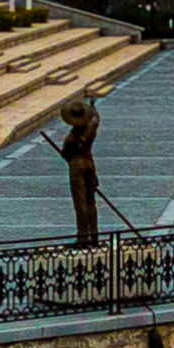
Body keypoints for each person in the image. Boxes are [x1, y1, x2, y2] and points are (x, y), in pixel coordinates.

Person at [60, 95, 104, 248]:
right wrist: (93, 107)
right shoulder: (91, 129)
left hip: (77, 167)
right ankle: (94, 236)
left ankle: (83, 238)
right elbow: (96, 118)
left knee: (81, 203)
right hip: (89, 164)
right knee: (91, 202)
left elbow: (65, 153)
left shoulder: (71, 138)